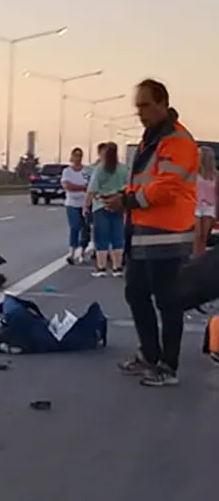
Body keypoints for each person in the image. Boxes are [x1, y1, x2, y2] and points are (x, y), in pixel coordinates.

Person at [104, 79, 198, 387]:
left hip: (168, 237)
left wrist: (127, 201)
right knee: (136, 294)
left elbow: (166, 188)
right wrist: (122, 195)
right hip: (143, 235)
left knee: (168, 302)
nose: (140, 113)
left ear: (162, 104)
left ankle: (167, 366)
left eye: (145, 105)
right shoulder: (151, 140)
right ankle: (149, 354)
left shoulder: (178, 141)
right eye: (137, 107)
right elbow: (146, 183)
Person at [84, 142, 128, 277]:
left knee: (101, 237)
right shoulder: (123, 169)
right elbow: (128, 187)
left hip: (101, 205)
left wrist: (86, 205)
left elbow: (92, 189)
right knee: (117, 236)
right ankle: (117, 267)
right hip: (118, 205)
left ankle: (101, 268)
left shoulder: (100, 169)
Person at [61, 147, 92, 265]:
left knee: (85, 228)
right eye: (75, 155)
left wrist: (84, 188)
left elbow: (91, 186)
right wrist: (82, 188)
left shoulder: (87, 171)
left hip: (86, 203)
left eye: (79, 155)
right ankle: (72, 252)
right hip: (72, 204)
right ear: (72, 157)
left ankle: (82, 250)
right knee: (74, 227)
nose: (77, 158)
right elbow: (67, 185)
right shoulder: (67, 171)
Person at [193, 145, 216, 257]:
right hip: (196, 204)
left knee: (204, 235)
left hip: (209, 206)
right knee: (197, 234)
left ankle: (200, 257)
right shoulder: (194, 173)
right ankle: (195, 256)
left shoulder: (215, 175)